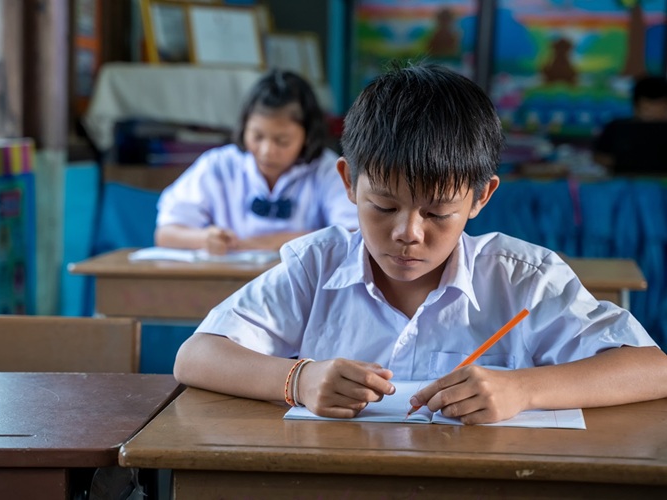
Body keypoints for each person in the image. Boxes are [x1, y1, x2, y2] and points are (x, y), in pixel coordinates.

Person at [173, 63, 667, 425]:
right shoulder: (315, 266)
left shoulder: (522, 278)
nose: (408, 232)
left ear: (481, 197)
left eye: (437, 212)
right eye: (383, 206)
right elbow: (195, 356)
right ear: (348, 183)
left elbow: (652, 368)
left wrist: (524, 388)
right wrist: (298, 379)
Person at [154, 70, 358, 254]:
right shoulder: (219, 166)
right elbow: (165, 233)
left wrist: (263, 242)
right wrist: (204, 238)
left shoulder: (328, 170)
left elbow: (353, 233)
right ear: (244, 127)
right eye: (257, 136)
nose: (266, 151)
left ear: (308, 136)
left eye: (282, 141)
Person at [592, 75, 667, 176]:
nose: (655, 115)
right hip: (625, 185)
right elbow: (599, 156)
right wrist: (624, 161)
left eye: (662, 110)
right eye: (648, 109)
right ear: (636, 107)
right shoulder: (616, 127)